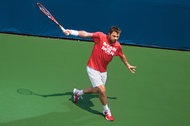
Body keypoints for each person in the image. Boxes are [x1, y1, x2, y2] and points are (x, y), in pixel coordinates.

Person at [63, 26, 136, 121]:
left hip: (103, 71)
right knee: (102, 90)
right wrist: (71, 32)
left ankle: (78, 93)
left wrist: (127, 64)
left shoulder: (117, 46)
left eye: (117, 36)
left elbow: (122, 55)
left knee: (98, 90)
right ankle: (106, 111)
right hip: (92, 68)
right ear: (109, 34)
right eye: (114, 36)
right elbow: (86, 34)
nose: (115, 38)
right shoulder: (100, 36)